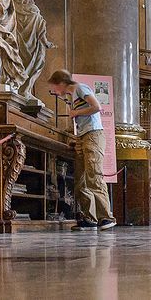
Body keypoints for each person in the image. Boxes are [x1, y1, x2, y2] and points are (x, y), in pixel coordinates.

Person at [47, 70, 116, 231]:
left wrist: (75, 112)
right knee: (81, 180)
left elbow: (96, 107)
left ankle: (106, 217)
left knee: (94, 176)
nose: (55, 91)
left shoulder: (80, 88)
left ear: (61, 83)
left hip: (93, 135)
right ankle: (89, 218)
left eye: (55, 87)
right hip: (83, 136)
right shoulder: (72, 96)